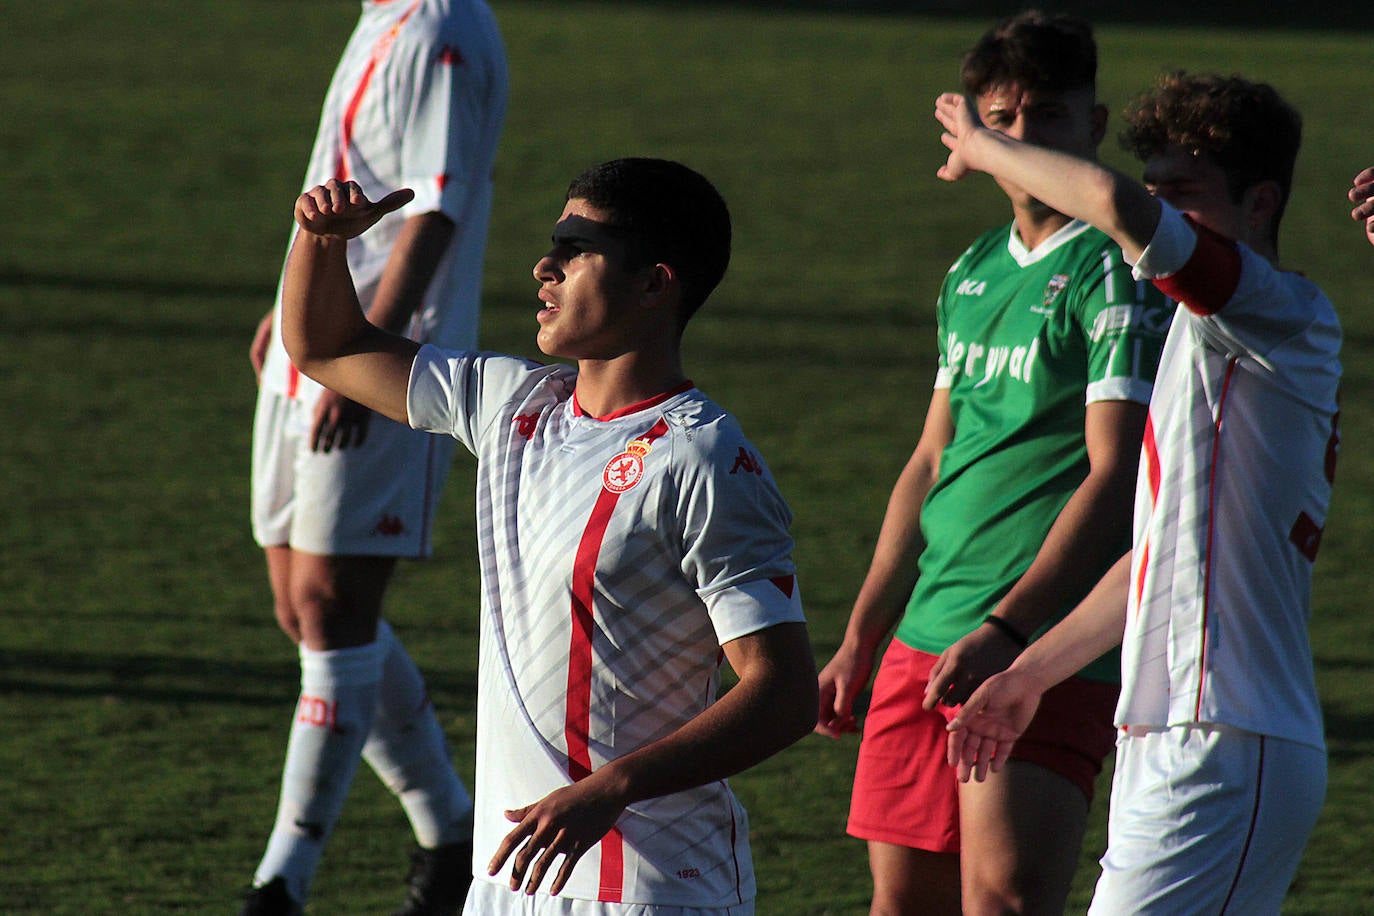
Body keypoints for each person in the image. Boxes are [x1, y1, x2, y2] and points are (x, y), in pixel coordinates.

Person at [273, 157, 818, 915]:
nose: (545, 266)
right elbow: (327, 347)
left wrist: (614, 787)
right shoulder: (513, 404)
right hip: (507, 880)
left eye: (575, 249)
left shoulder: (702, 458)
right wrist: (319, 241)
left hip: (648, 889)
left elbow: (784, 694)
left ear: (654, 283)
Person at [938, 71, 1341, 914]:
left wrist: (985, 146)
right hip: (1176, 734)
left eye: (1185, 194)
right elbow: (1158, 556)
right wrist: (1028, 674)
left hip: (1229, 740)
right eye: (1159, 189)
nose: (1162, 212)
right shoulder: (1210, 334)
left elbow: (1116, 207)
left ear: (1261, 201)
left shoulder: (1274, 312)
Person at [814, 11, 1173, 915]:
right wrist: (863, 636)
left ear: (1091, 130)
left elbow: (1117, 473)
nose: (1021, 140)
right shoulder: (971, 270)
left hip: (1038, 646)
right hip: (922, 639)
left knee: (1003, 902)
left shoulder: (1117, 266)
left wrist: (1010, 635)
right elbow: (931, 457)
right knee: (901, 905)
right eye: (1001, 120)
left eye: (1048, 118)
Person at [242, 0, 507, 913]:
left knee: (332, 604)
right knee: (301, 604)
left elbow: (435, 207)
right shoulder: (385, 14)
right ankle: (449, 831)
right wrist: (294, 311)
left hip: (378, 357)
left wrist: (364, 350)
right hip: (313, 346)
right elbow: (347, 180)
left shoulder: (440, 26)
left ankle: (282, 881)